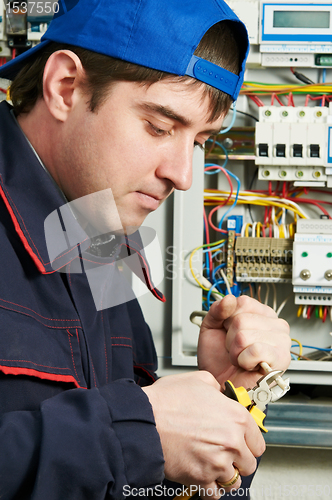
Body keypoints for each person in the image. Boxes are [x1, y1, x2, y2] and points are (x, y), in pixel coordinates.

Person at [0, 0, 291, 499]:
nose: (181, 175)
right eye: (159, 127)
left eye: (199, 141)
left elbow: (127, 475)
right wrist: (132, 434)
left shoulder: (95, 231)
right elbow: (125, 437)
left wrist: (220, 400)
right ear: (66, 87)